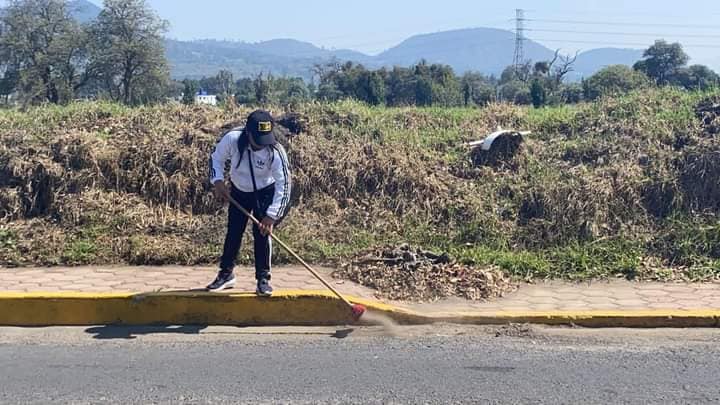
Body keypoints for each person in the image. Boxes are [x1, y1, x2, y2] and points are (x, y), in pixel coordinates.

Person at [207, 109, 291, 295]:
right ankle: (226, 274)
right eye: (258, 139)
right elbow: (216, 159)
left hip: (265, 193)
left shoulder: (275, 150)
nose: (262, 145)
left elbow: (284, 185)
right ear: (248, 133)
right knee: (234, 231)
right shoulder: (232, 139)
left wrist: (272, 215)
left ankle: (263, 278)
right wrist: (218, 181)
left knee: (262, 234)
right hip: (239, 190)